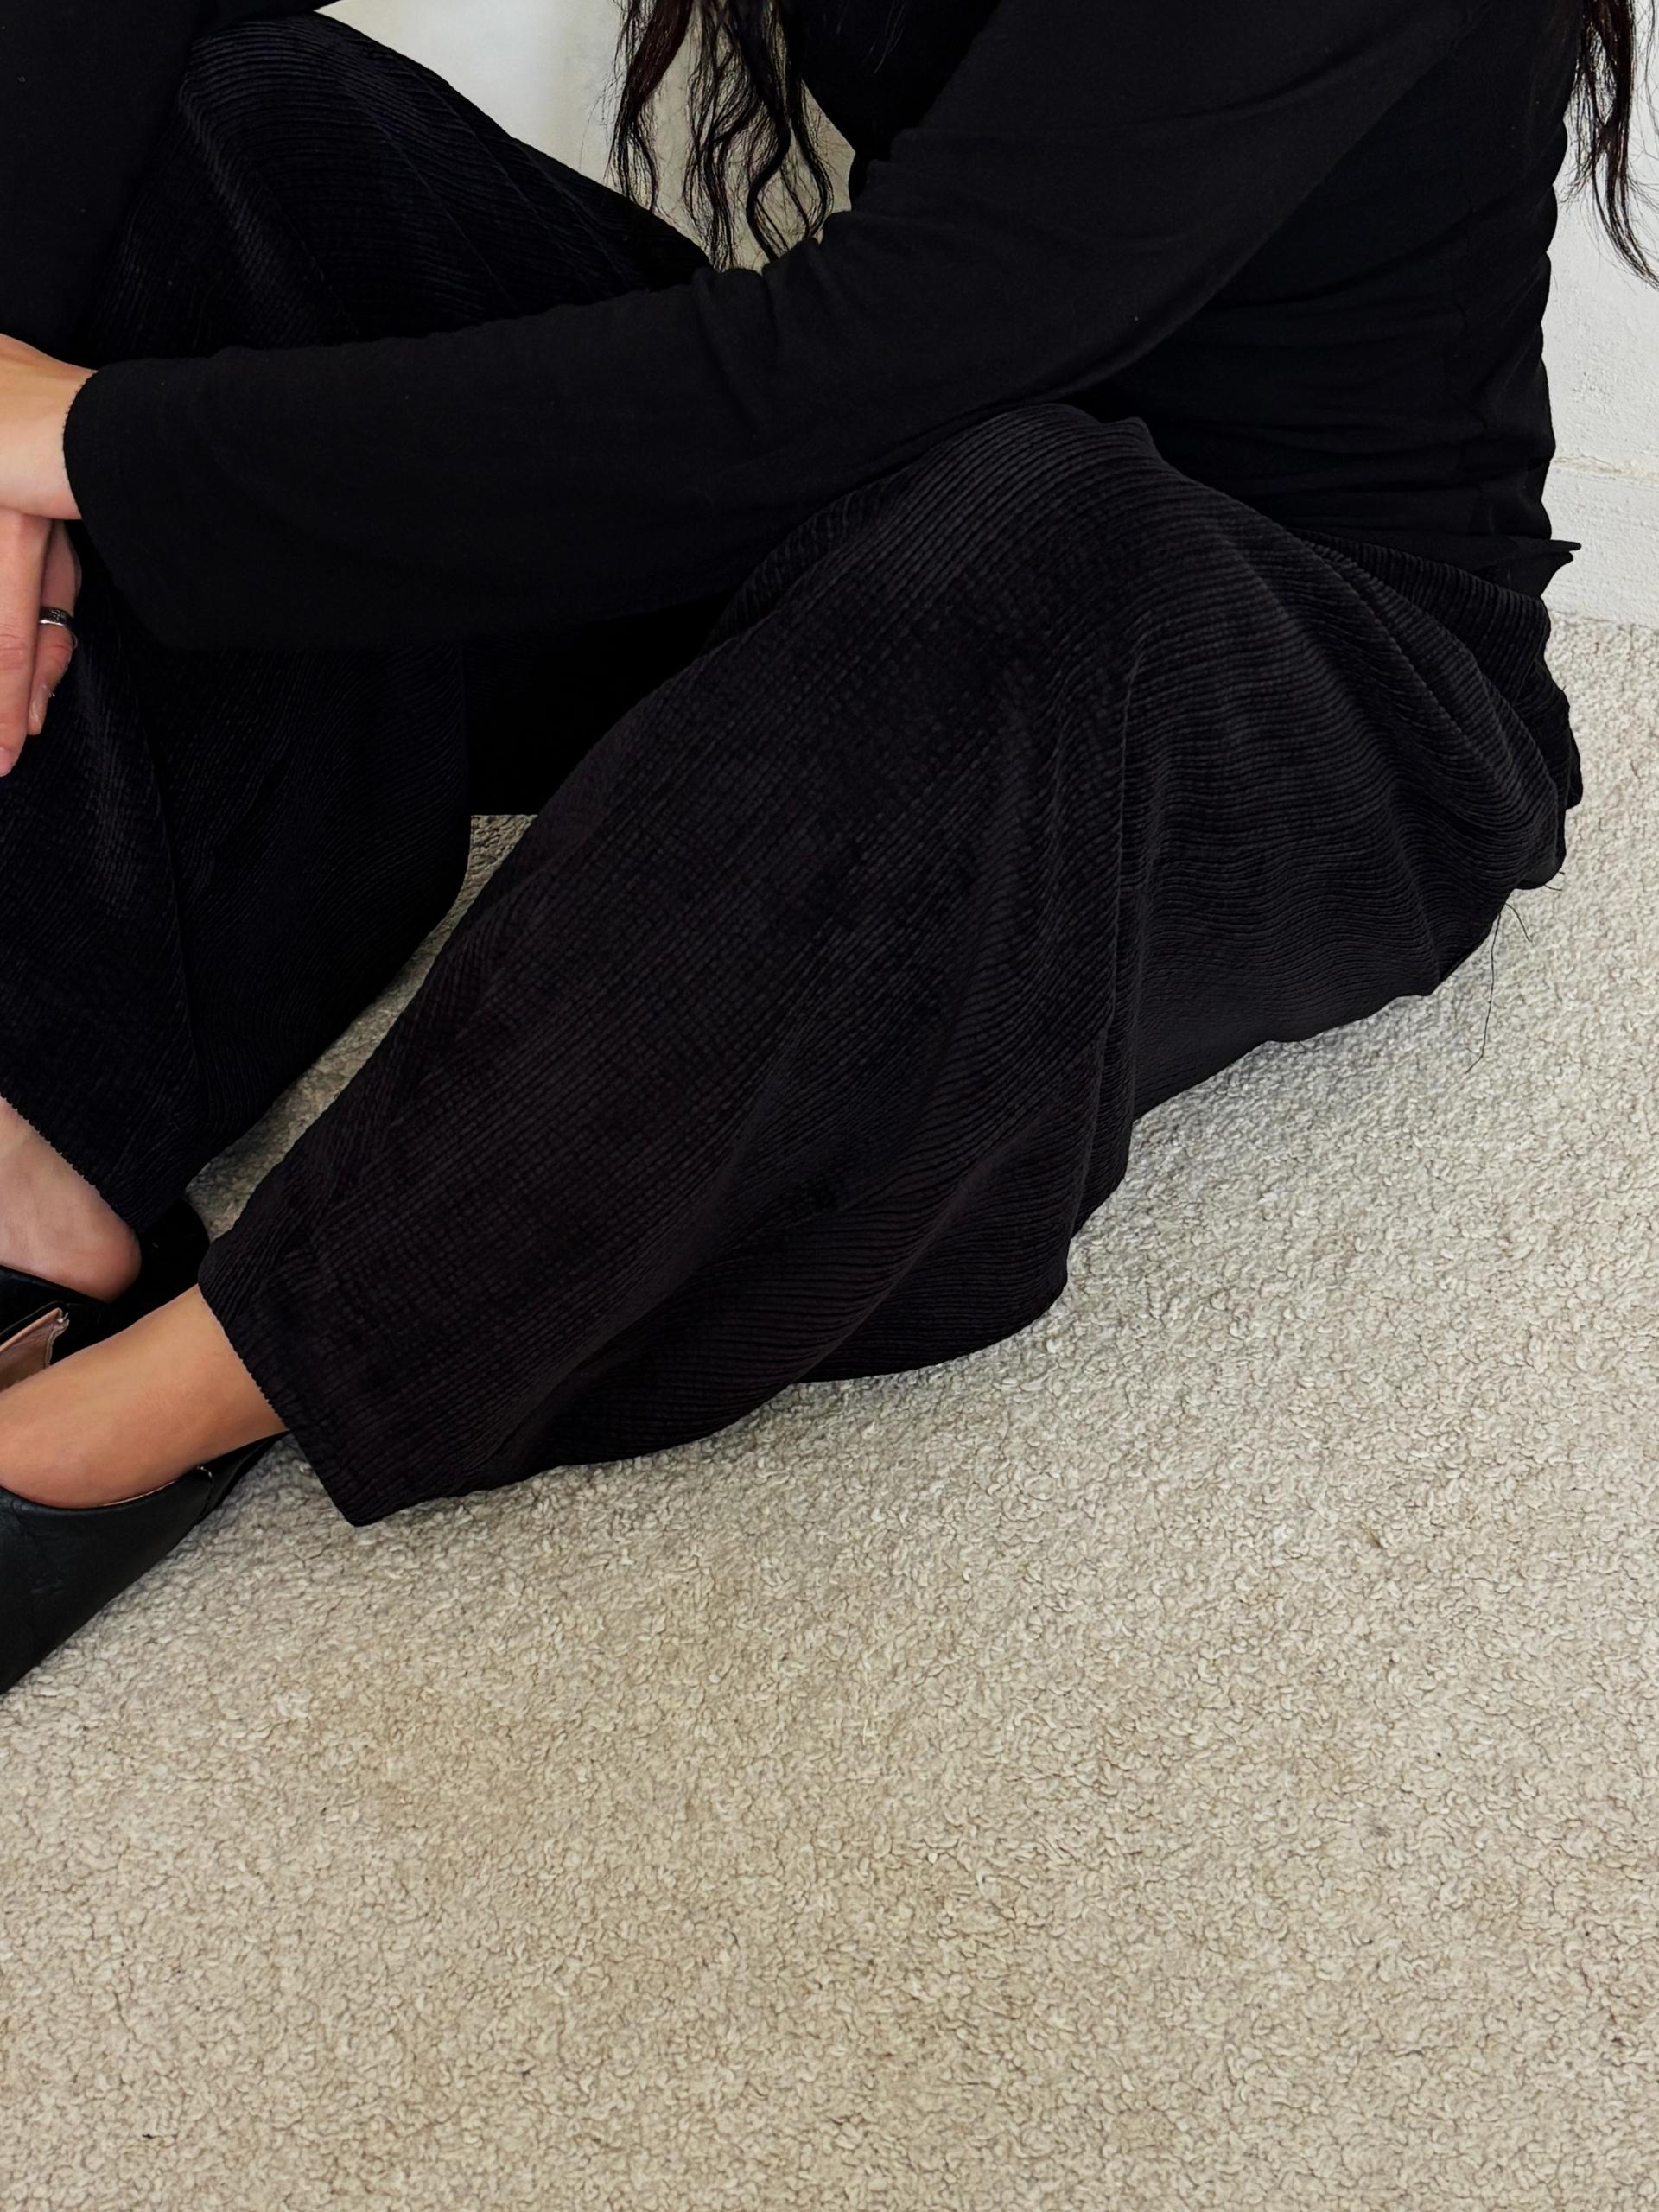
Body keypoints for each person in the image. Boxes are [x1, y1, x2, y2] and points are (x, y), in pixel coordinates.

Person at [0, 0, 1641, 1693]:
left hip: (1305, 666)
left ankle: (147, 1412)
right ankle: (46, 1137)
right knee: (234, 120)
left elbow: (889, 349)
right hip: (883, 482)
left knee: (1033, 530)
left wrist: (80, 444)